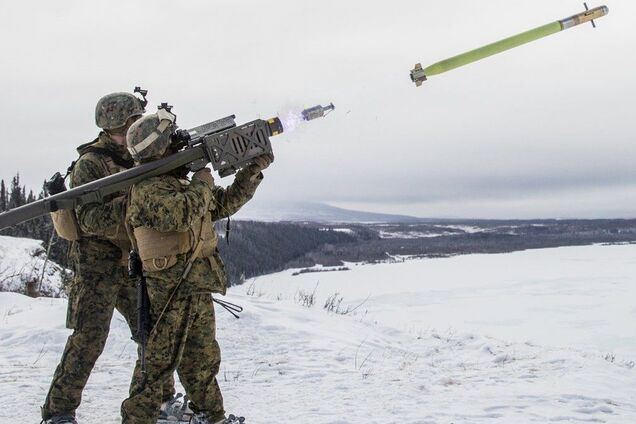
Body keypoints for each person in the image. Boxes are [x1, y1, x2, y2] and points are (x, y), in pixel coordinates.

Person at [121, 109, 271, 424]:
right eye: (171, 139)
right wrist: (202, 179)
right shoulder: (148, 188)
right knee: (158, 362)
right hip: (170, 286)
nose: (179, 142)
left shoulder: (179, 182)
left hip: (196, 282)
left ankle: (210, 415)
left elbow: (224, 203)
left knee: (202, 359)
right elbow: (179, 216)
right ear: (157, 148)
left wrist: (251, 172)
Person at [41, 92, 180, 424]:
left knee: (153, 332)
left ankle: (162, 400)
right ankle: (58, 411)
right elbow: (89, 219)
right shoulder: (91, 163)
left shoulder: (139, 152)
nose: (136, 127)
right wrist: (135, 207)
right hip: (97, 266)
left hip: (132, 261)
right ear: (114, 124)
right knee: (89, 339)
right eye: (130, 122)